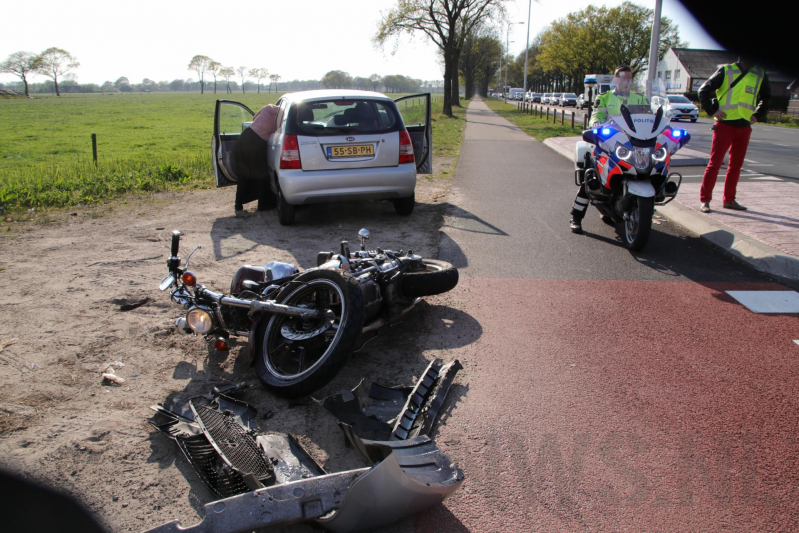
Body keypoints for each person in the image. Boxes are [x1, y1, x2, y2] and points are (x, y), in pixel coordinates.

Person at [570, 65, 647, 233]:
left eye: (628, 79)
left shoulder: (640, 98)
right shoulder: (605, 97)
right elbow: (597, 113)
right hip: (609, 142)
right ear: (615, 80)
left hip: (632, 145)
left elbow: (650, 117)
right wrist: (596, 124)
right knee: (591, 178)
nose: (625, 83)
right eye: (622, 79)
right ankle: (576, 217)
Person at [697, 58, 771, 213]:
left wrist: (758, 114)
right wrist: (712, 111)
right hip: (724, 124)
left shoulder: (759, 74)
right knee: (714, 164)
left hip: (744, 126)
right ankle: (705, 200)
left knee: (736, 167)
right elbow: (703, 90)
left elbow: (767, 97)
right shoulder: (727, 70)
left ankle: (729, 200)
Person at [233, 103, 279, 214]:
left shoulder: (269, 107)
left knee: (243, 174)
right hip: (257, 142)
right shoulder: (284, 115)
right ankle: (264, 205)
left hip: (245, 136)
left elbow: (254, 118)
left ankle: (238, 204)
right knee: (262, 173)